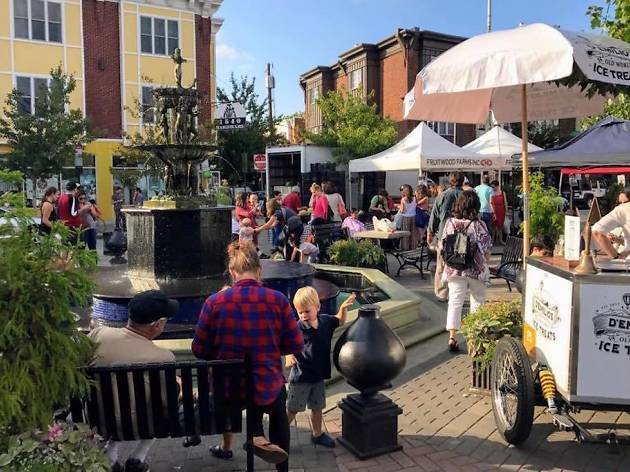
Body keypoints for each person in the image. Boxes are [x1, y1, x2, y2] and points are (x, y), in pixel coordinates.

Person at [192, 241, 304, 471]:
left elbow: (199, 350)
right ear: (259, 270)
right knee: (277, 402)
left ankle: (247, 438)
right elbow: (296, 343)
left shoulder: (214, 302)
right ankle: (281, 465)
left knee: (244, 387)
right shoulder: (278, 300)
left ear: (232, 273)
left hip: (228, 392)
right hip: (266, 386)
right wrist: (270, 348)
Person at [90, 290, 180, 472]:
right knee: (161, 401)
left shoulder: (98, 334)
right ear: (157, 325)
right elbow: (166, 401)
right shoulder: (162, 357)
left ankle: (111, 456)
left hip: (97, 419)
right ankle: (138, 457)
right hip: (141, 424)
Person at [285, 287, 356, 447]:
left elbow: (340, 320)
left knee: (317, 407)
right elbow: (286, 342)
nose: (303, 316)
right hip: (301, 377)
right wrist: (289, 356)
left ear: (317, 307)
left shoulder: (325, 322)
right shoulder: (297, 327)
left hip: (318, 376)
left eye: (307, 311)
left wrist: (343, 309)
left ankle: (317, 434)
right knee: (292, 409)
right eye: (299, 312)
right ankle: (280, 435)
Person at [441, 191, 492, 352]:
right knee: (477, 301)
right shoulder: (478, 225)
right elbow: (487, 249)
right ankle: (474, 340)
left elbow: (443, 246)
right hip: (475, 269)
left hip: (454, 268)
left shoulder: (450, 222)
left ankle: (452, 337)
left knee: (455, 302)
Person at [428, 172, 464, 301]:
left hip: (444, 235)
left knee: (441, 266)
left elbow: (434, 216)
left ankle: (442, 294)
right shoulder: (467, 196)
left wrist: (430, 232)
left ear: (450, 181)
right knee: (459, 264)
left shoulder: (442, 195)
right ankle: (457, 293)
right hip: (462, 236)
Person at [592, 186, 630, 259]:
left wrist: (616, 256)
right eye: (619, 203)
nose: (621, 204)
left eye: (623, 202)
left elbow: (597, 231)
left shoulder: (622, 209)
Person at [398, 184, 419, 250]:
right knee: (413, 234)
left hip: (406, 217)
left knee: (405, 234)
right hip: (414, 217)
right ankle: (413, 248)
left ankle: (405, 248)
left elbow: (402, 211)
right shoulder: (415, 198)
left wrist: (398, 206)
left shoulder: (403, 199)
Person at [490, 180, 507, 245]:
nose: (493, 188)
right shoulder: (491, 193)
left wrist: (506, 211)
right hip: (494, 210)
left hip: (501, 210)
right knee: (493, 226)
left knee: (500, 226)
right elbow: (490, 202)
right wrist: (492, 210)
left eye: (494, 187)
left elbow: (505, 202)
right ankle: (493, 240)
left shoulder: (502, 193)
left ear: (497, 186)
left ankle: (500, 240)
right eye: (492, 187)